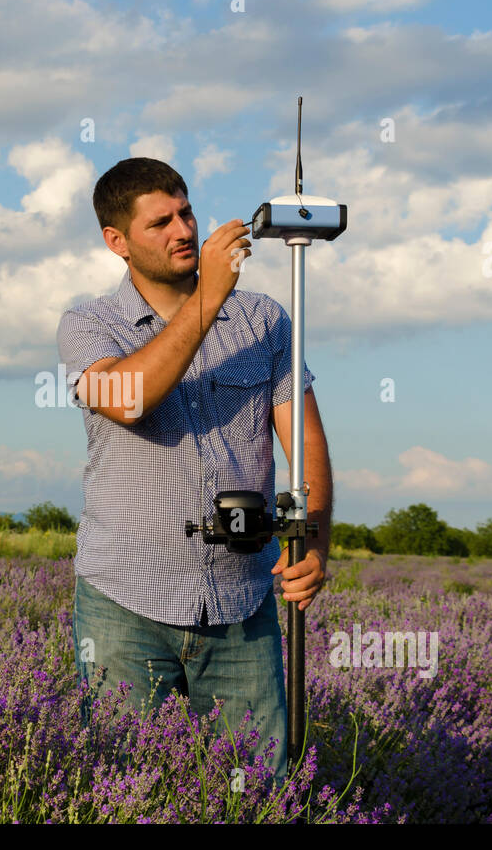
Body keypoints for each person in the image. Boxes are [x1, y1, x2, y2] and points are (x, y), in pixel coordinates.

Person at [56, 157, 333, 789]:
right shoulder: (89, 324)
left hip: (241, 601)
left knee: (258, 791)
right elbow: (130, 397)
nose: (183, 230)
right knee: (128, 790)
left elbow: (307, 442)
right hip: (126, 604)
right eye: (160, 223)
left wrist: (313, 540)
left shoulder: (264, 322)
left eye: (186, 213)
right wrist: (210, 293)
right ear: (117, 243)